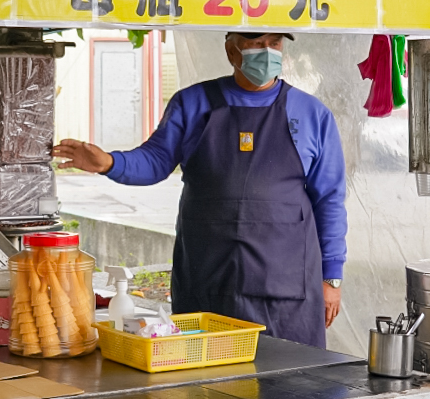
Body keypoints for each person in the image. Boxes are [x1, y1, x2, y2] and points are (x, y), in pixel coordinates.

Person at [53, 32, 347, 348]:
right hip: (207, 282)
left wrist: (332, 278)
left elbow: (329, 199)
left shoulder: (311, 114)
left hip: (287, 290)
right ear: (231, 49)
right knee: (208, 389)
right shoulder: (193, 103)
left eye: (274, 44)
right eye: (255, 44)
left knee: (293, 381)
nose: (266, 53)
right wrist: (109, 162)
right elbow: (154, 160)